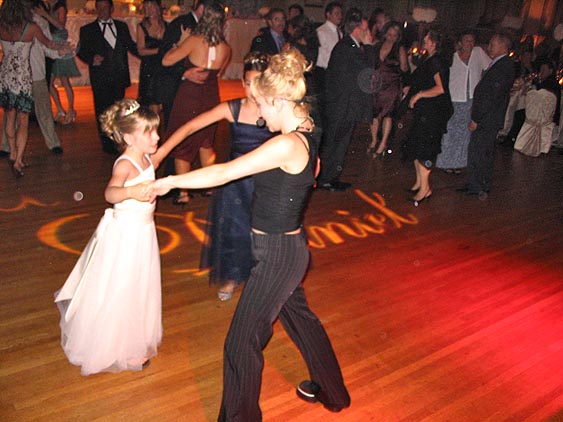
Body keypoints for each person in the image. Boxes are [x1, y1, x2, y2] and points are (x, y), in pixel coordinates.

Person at [149, 48, 351, 421]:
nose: (259, 114)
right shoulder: (308, 125)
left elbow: (224, 172)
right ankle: (334, 393)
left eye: (261, 104)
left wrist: (171, 182)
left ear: (279, 101)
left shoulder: (285, 144)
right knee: (301, 321)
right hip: (287, 250)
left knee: (240, 343)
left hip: (277, 255)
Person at [54, 99, 162, 376]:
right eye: (149, 132)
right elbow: (110, 192)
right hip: (126, 236)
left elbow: (157, 161)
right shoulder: (125, 164)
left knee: (140, 285)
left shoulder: (146, 157)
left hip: (144, 233)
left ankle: (133, 338)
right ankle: (121, 346)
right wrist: (131, 192)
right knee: (123, 286)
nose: (156, 137)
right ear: (129, 137)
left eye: (156, 130)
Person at [153, 52, 272, 302]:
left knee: (263, 231)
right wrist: (161, 153)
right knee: (234, 230)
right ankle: (232, 276)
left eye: (260, 83)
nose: (253, 90)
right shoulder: (233, 108)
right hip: (235, 181)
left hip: (266, 180)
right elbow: (190, 126)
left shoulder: (275, 110)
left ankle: (261, 275)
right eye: (249, 83)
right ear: (242, 82)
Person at [162, 1, 231, 204]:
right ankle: (210, 187)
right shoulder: (227, 49)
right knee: (206, 142)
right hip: (210, 96)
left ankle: (183, 193)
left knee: (182, 141)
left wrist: (180, 42)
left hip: (190, 95)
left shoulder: (194, 41)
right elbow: (219, 73)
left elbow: (166, 60)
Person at [0, 0, 67, 177]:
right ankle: (18, 160)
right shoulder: (31, 27)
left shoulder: (2, 26)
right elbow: (49, 44)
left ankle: (12, 152)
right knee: (23, 120)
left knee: (9, 117)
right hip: (24, 77)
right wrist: (63, 48)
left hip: (7, 76)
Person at [317, 8, 375, 192]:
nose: (369, 33)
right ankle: (326, 179)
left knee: (340, 143)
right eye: (366, 29)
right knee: (336, 143)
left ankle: (331, 177)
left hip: (343, 104)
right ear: (357, 30)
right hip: (341, 105)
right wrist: (370, 46)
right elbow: (369, 70)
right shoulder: (347, 48)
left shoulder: (349, 46)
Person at [76, 0, 138, 154]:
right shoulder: (87, 30)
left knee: (118, 111)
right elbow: (81, 51)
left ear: (111, 9)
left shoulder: (121, 27)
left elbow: (131, 46)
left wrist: (148, 55)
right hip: (101, 78)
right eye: (100, 8)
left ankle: (118, 141)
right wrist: (92, 59)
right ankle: (107, 145)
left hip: (118, 76)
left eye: (105, 8)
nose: (103, 11)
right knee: (103, 111)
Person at [458, 32, 515, 198]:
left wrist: (476, 118)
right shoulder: (501, 64)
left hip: (487, 119)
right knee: (483, 152)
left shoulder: (503, 66)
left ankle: (477, 186)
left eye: (492, 44)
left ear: (502, 46)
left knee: (478, 151)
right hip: (489, 117)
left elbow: (490, 96)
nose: (489, 47)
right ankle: (480, 183)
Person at [403, 28, 453, 205]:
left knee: (424, 149)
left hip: (433, 113)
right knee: (417, 146)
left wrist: (419, 95)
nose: (424, 41)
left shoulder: (437, 61)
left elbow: (440, 88)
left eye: (427, 39)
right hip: (425, 112)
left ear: (434, 42)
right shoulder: (430, 59)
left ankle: (425, 189)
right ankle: (419, 183)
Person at [436, 30, 491, 174]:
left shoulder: (478, 53)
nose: (470, 43)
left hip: (471, 99)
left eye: (472, 40)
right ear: (460, 42)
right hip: (454, 98)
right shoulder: (452, 57)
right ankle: (445, 162)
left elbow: (490, 68)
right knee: (450, 130)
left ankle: (458, 163)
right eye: (467, 40)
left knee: (465, 132)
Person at [157, 0, 211, 129]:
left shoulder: (201, 25)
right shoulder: (181, 24)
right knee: (174, 125)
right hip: (175, 84)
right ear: (202, 8)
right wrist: (184, 73)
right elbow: (164, 56)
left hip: (191, 86)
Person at [367, 21, 409, 158]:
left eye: (394, 35)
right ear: (385, 33)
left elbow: (404, 68)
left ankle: (383, 143)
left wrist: (405, 84)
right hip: (376, 84)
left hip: (391, 85)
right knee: (374, 113)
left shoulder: (399, 49)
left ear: (398, 36)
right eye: (389, 34)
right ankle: (374, 140)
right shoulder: (377, 46)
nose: (391, 37)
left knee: (388, 114)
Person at [40, 0, 80, 125]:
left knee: (64, 80)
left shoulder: (60, 7)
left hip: (60, 45)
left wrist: (45, 15)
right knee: (49, 82)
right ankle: (60, 109)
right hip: (52, 47)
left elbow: (61, 26)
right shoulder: (47, 7)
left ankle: (71, 110)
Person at [136, 0, 167, 113]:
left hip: (163, 67)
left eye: (151, 6)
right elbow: (140, 51)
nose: (149, 10)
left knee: (162, 103)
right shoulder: (141, 26)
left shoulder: (166, 25)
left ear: (158, 7)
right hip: (149, 68)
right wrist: (158, 51)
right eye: (146, 7)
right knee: (151, 104)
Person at [314, 1, 343, 102]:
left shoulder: (339, 32)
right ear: (328, 14)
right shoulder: (322, 32)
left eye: (341, 13)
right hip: (325, 72)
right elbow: (322, 57)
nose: (340, 16)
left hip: (336, 73)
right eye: (336, 13)